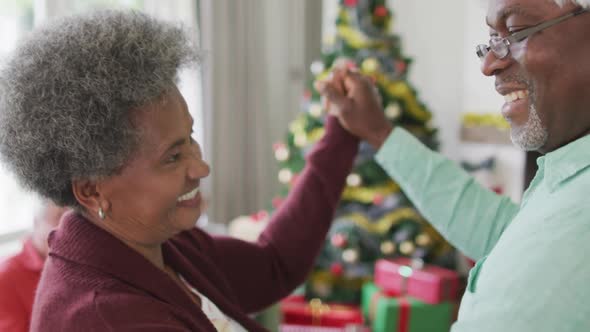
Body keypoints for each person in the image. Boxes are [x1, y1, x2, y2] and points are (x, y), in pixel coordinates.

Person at [0, 10, 359, 331]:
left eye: (190, 137)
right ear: (92, 190)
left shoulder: (161, 242)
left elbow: (274, 264)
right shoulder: (104, 318)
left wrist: (343, 130)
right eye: (172, 157)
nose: (201, 167)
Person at [317, 0, 590, 331]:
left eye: (516, 31)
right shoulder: (568, 185)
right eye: (490, 40)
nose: (489, 64)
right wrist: (379, 133)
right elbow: (500, 232)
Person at [0, 201, 68, 331]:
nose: (68, 228)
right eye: (59, 218)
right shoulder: (6, 278)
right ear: (37, 223)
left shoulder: (79, 264)